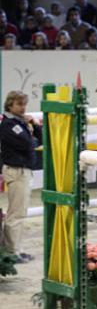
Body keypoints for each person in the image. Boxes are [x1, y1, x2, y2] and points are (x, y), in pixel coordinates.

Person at [0, 91, 42, 263]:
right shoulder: (9, 124)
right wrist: (31, 137)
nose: (23, 108)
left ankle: (18, 248)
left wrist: (34, 124)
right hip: (16, 170)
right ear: (10, 105)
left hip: (23, 170)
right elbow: (29, 144)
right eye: (19, 104)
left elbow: (40, 140)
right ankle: (11, 251)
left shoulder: (20, 123)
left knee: (21, 212)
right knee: (16, 214)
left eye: (24, 104)